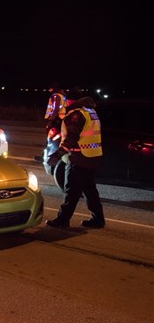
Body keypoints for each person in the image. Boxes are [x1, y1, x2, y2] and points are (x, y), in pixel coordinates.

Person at [45, 95, 105, 228]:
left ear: (72, 101)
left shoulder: (76, 115)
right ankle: (98, 219)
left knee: (71, 191)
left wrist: (57, 155)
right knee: (90, 190)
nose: (64, 104)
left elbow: (71, 137)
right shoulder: (90, 112)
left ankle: (63, 220)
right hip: (92, 157)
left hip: (78, 158)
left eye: (66, 102)